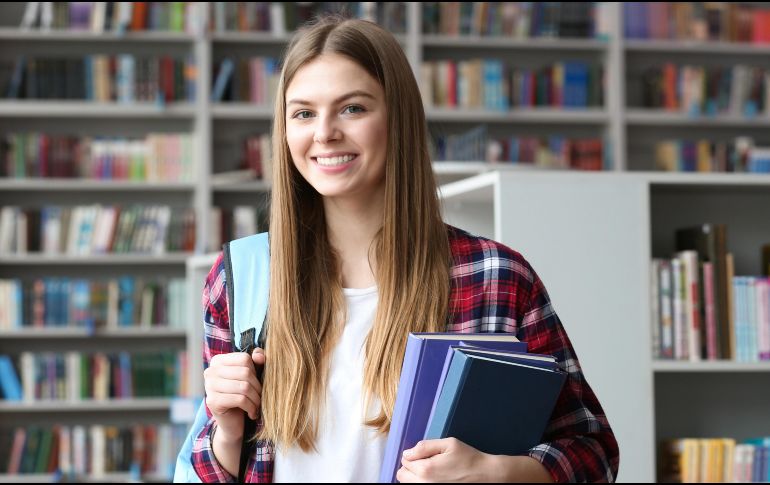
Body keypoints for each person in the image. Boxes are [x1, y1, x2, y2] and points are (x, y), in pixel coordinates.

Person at [190, 16, 619, 483]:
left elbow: (593, 453)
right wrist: (227, 435)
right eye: (304, 113)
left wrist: (498, 474)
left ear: (398, 117)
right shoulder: (241, 278)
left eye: (352, 108)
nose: (325, 132)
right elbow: (213, 470)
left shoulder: (495, 276)